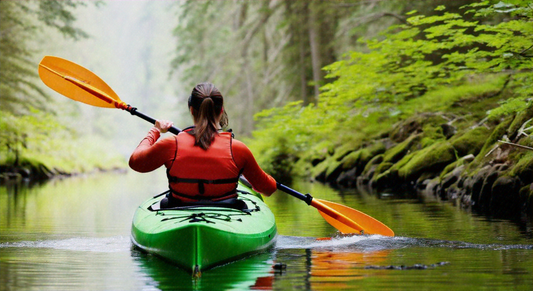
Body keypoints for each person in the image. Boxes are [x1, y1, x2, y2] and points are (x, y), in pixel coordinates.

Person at [129, 82, 277, 207]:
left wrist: (155, 131)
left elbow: (136, 162)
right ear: (221, 110)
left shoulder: (171, 145)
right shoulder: (238, 149)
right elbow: (268, 188)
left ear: (192, 110)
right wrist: (269, 180)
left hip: (179, 207)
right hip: (227, 207)